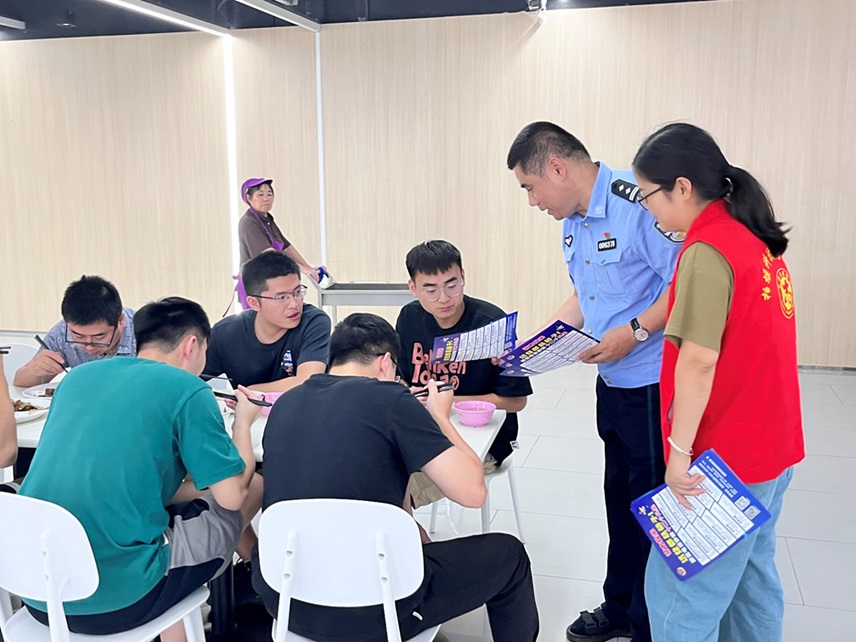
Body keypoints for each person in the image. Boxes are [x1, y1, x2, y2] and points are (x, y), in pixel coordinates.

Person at [251, 313, 539, 642]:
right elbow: (473, 493)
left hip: (287, 603)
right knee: (510, 555)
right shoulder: (392, 399)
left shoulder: (287, 403)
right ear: (386, 363)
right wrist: (441, 417)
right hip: (376, 610)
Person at [507, 121, 682, 642]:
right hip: (612, 380)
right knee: (620, 498)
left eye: (531, 187)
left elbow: (684, 283)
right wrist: (537, 341)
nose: (532, 202)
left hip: (651, 383)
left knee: (653, 508)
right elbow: (586, 295)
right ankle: (621, 606)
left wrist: (636, 330)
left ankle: (650, 625)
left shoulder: (639, 202)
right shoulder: (573, 220)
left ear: (556, 168)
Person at [631, 123, 805, 642]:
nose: (649, 210)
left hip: (726, 460)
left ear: (681, 188)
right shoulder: (751, 235)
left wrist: (679, 454)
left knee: (680, 601)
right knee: (752, 580)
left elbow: (699, 361)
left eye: (648, 196)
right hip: (771, 449)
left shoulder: (707, 251)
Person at [17, 297, 263, 641]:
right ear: (192, 345)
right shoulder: (189, 389)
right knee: (254, 486)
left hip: (37, 592)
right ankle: (259, 581)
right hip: (121, 601)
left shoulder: (76, 378)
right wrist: (243, 423)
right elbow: (233, 496)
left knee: (164, 511)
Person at [396, 240, 532, 507]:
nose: (444, 298)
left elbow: (517, 401)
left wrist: (447, 403)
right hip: (424, 431)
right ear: (413, 288)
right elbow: (401, 378)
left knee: (397, 485)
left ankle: (409, 531)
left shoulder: (492, 323)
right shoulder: (409, 317)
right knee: (374, 467)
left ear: (463, 277)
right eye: (430, 290)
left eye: (452, 285)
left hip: (484, 440)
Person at [205, 252, 330, 393]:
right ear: (254, 303)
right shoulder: (225, 333)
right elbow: (193, 380)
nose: (294, 304)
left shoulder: (313, 322)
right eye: (281, 297)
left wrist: (250, 391)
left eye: (297, 292)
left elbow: (308, 382)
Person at [14, 275, 136, 388]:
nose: (89, 347)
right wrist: (35, 370)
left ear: (121, 321)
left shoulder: (144, 332)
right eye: (79, 336)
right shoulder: (62, 332)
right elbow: (19, 383)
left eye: (99, 337)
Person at [238, 177, 324, 282]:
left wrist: (309, 268)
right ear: (249, 198)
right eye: (260, 195)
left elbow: (286, 247)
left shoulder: (268, 220)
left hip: (271, 279)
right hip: (255, 283)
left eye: (269, 194)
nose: (266, 198)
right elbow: (270, 255)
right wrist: (302, 269)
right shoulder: (249, 223)